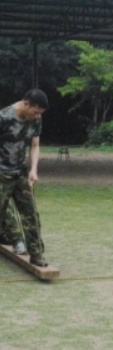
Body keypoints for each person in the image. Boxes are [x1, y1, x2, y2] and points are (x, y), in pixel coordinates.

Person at [0, 88, 49, 266]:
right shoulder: (4, 117)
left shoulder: (36, 120)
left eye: (40, 113)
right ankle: (10, 236)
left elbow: (34, 145)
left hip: (20, 172)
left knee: (30, 213)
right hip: (1, 173)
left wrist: (33, 169)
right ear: (25, 104)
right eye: (35, 112)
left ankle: (36, 254)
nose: (36, 116)